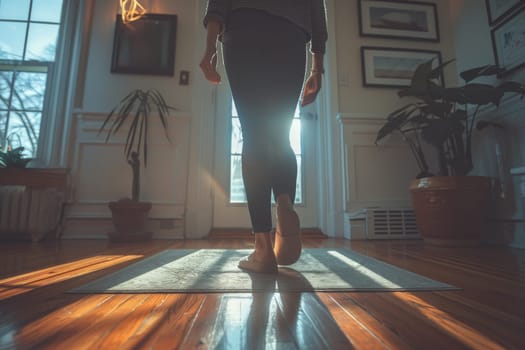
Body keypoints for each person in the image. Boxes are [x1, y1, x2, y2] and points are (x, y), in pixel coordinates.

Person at [200, 0, 328, 273]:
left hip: (244, 29)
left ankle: (263, 249)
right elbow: (317, 9)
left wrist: (210, 47)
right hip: (291, 35)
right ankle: (284, 202)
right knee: (281, 134)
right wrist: (318, 67)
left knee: (254, 136)